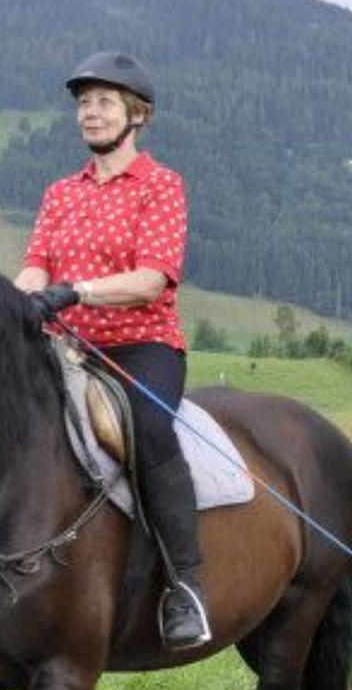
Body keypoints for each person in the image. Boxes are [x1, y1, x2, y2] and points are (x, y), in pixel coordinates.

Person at [15, 51, 211, 649]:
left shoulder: (160, 186)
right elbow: (36, 265)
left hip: (138, 347)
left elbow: (152, 279)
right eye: (82, 102)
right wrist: (16, 301)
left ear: (137, 115)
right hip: (62, 347)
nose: (89, 112)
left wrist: (74, 291)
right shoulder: (60, 192)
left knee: (150, 430)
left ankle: (186, 586)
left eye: (102, 101)